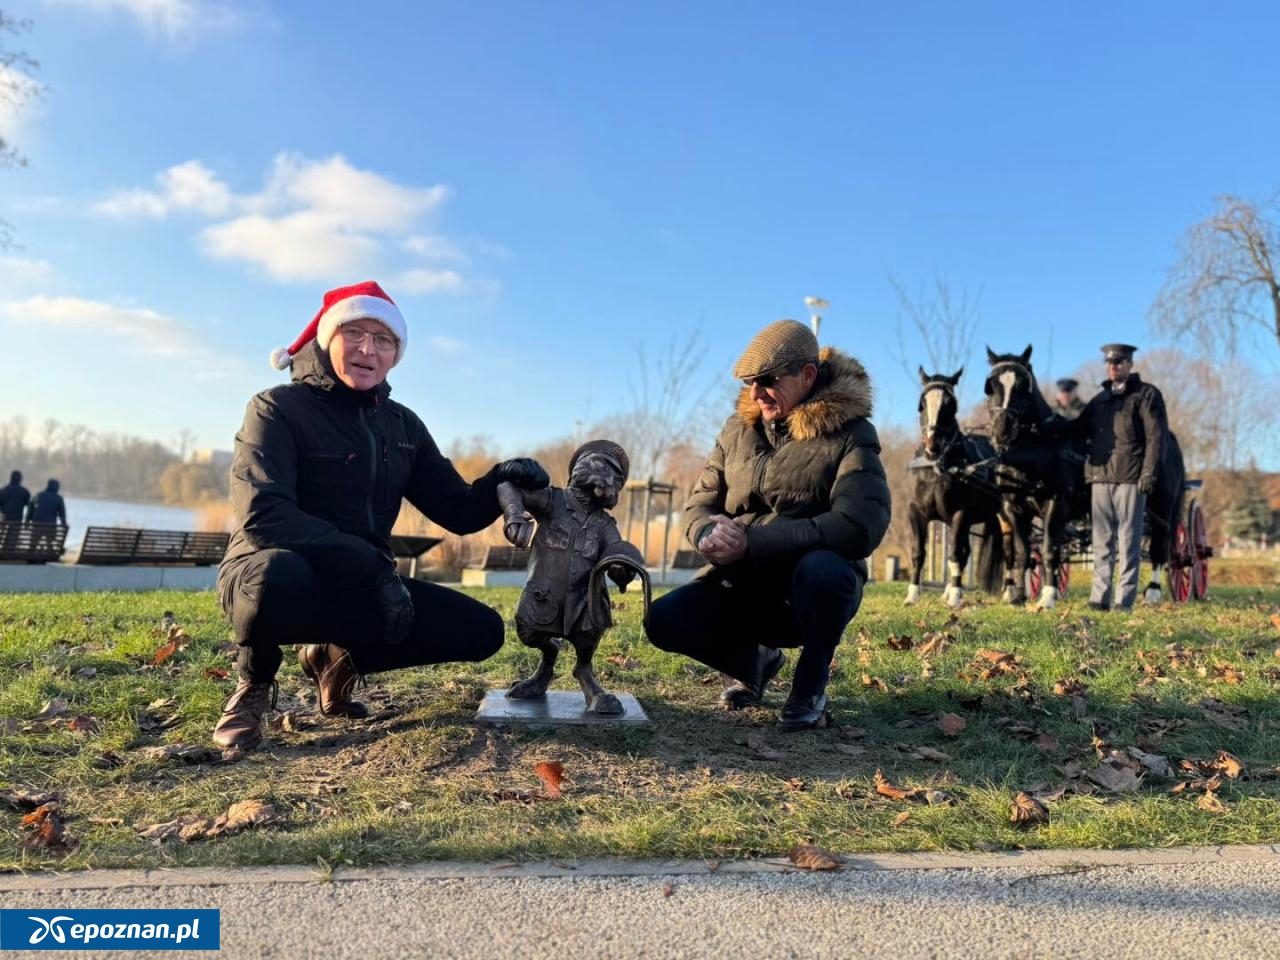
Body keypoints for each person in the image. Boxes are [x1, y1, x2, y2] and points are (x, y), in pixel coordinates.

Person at [213, 280, 549, 751]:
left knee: (481, 631)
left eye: (383, 339)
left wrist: (499, 479)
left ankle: (335, 659)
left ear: (395, 355)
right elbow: (263, 515)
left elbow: (456, 510)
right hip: (269, 569)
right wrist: (371, 565)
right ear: (327, 338)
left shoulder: (402, 425)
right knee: (276, 576)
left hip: (365, 581)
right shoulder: (276, 408)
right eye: (354, 333)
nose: (367, 349)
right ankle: (254, 683)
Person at [645, 320, 891, 731]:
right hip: (744, 582)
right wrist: (707, 533)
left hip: (809, 593)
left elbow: (860, 524)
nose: (756, 393)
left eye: (768, 381)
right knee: (663, 620)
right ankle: (754, 663)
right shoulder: (736, 430)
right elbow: (699, 504)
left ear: (807, 375)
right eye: (750, 383)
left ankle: (810, 685)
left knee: (823, 571)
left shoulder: (852, 433)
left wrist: (752, 541)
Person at [1072, 343, 1168, 613]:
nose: (1113, 367)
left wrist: (1148, 472)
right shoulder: (1100, 400)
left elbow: (1156, 436)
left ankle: (1123, 601)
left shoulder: (1146, 395)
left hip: (1129, 476)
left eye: (1119, 362)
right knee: (1101, 542)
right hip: (1099, 477)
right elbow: (1077, 428)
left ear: (1129, 364)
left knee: (1128, 541)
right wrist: (1047, 424)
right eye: (1109, 363)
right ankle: (1099, 598)